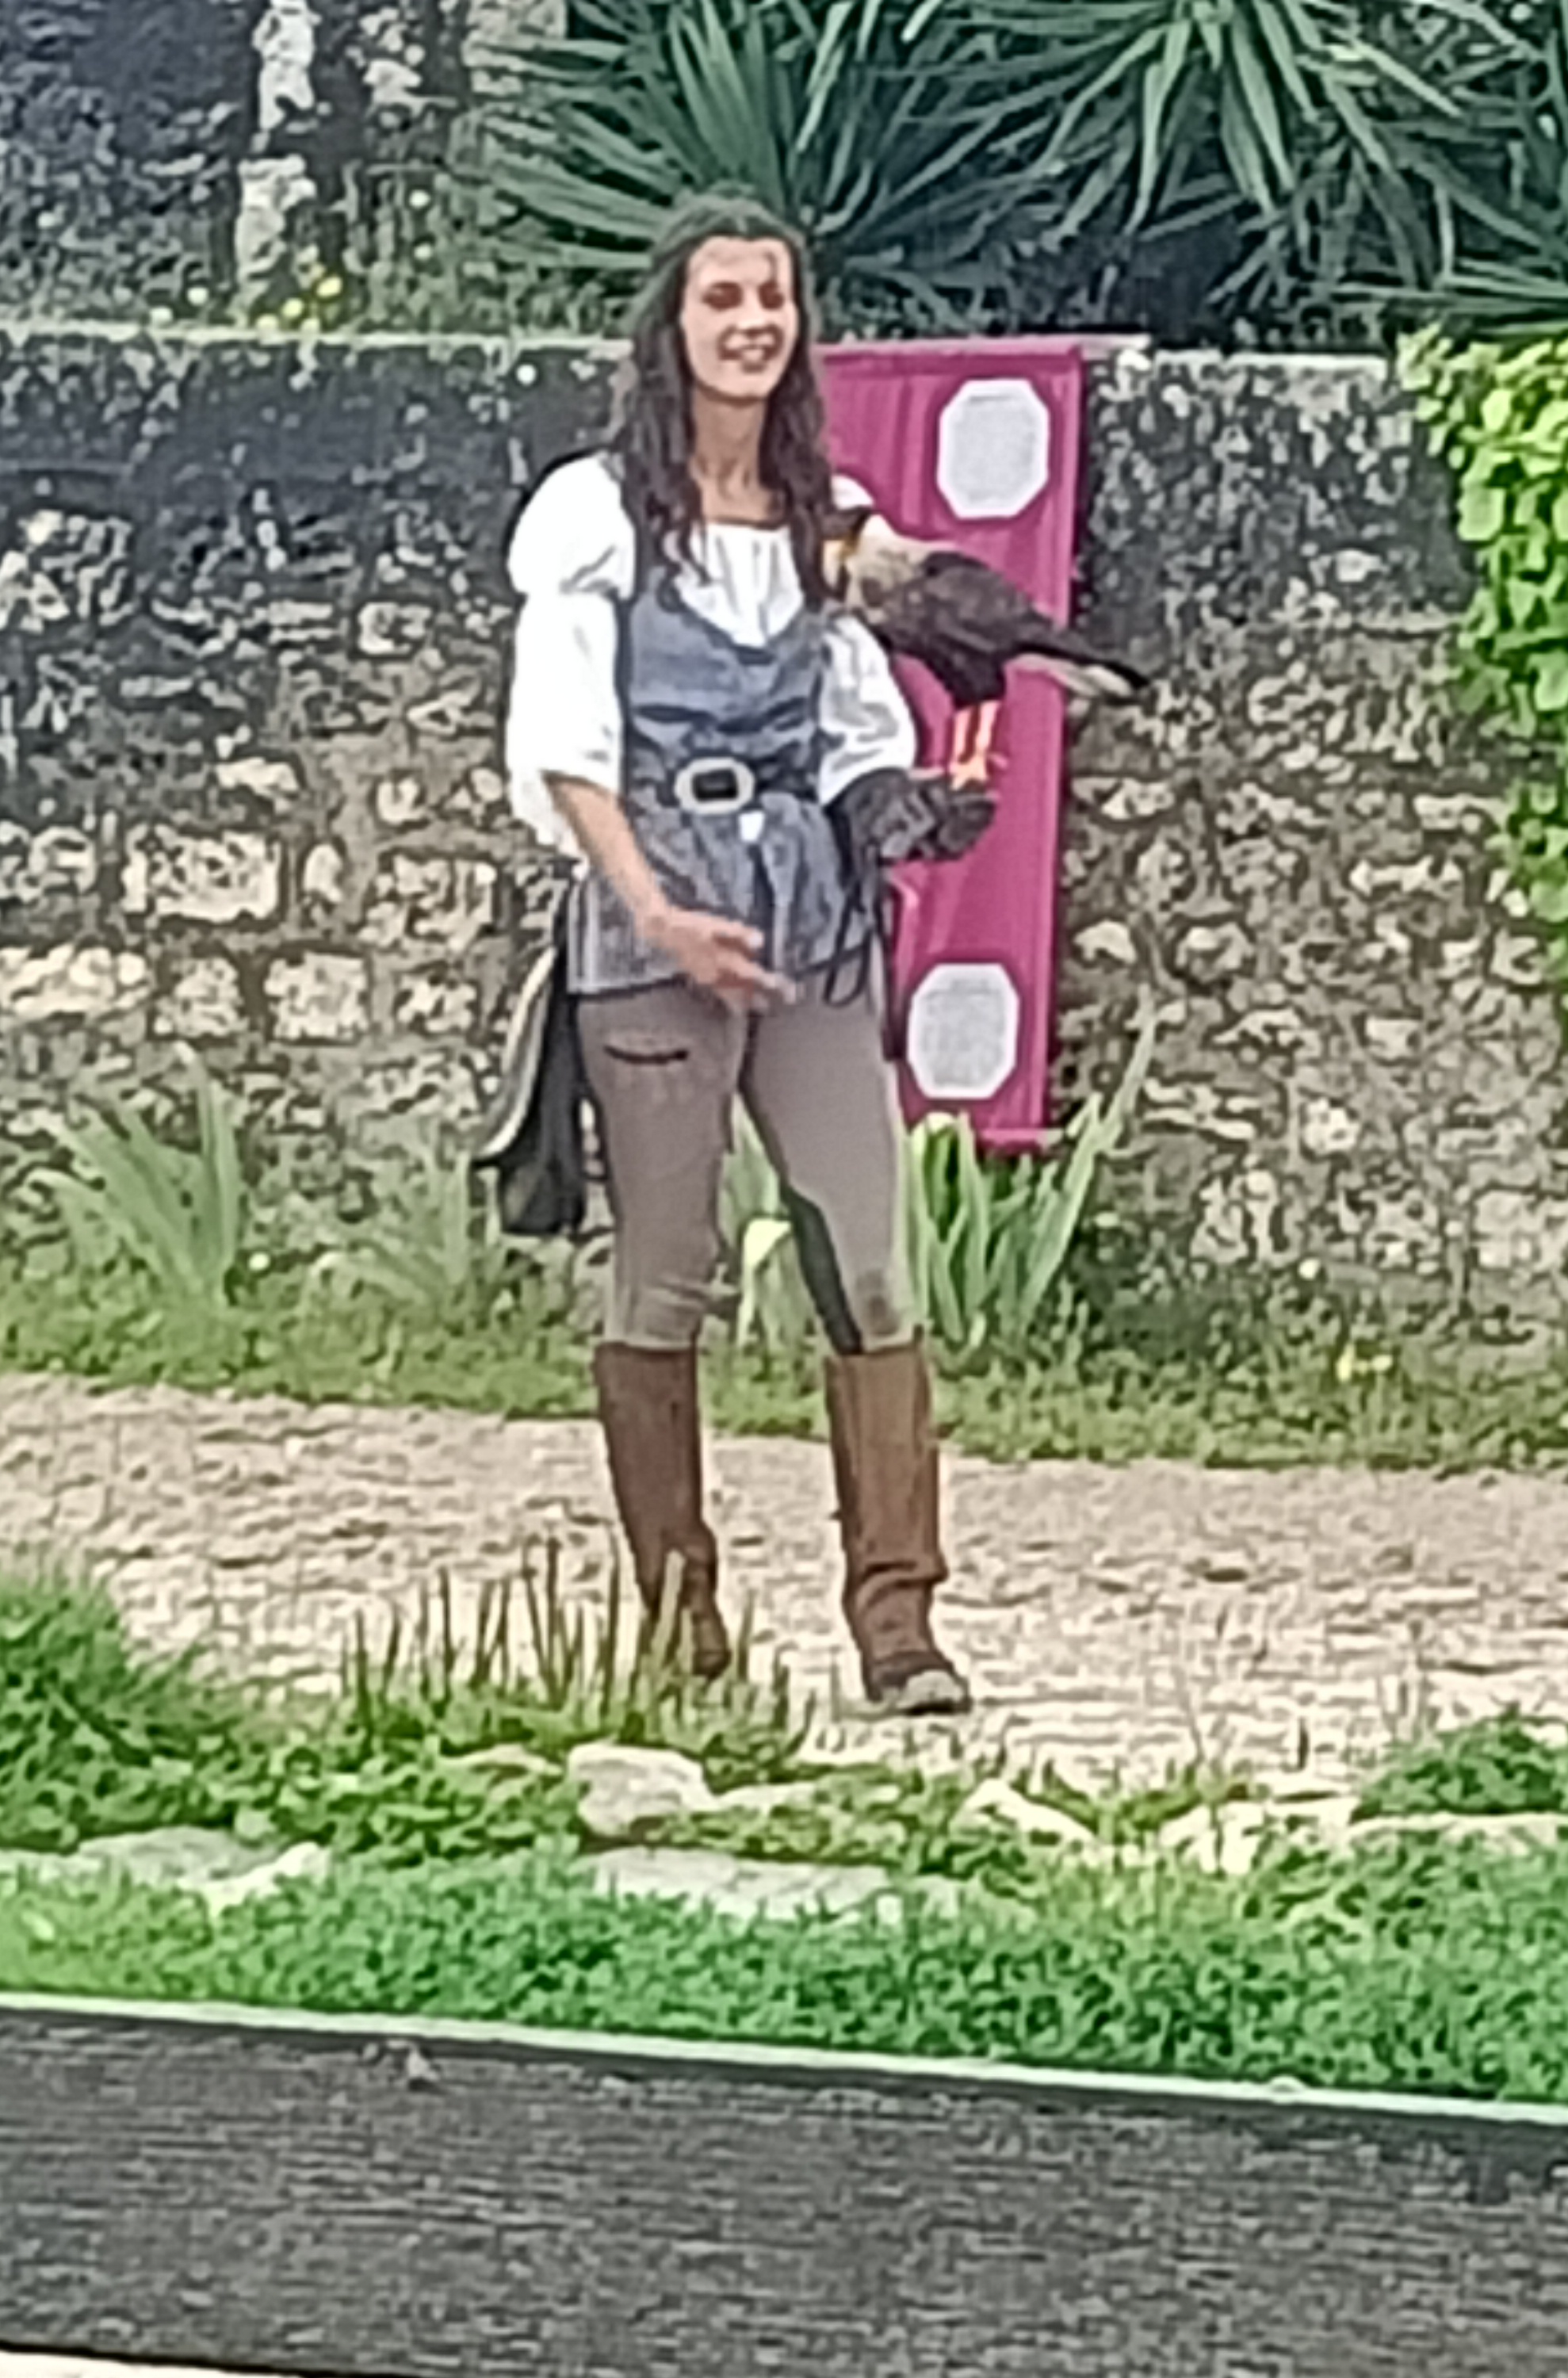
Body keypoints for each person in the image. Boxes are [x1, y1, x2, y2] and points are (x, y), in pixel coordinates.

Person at [498, 193, 979, 1719]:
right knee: (667, 1276)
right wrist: (654, 911)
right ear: (674, 323)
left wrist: (898, 802)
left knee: (868, 1261)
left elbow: (852, 713)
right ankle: (680, 1626)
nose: (753, 322)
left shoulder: (826, 517)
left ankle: (898, 1624)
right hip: (657, 913)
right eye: (724, 298)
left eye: (773, 297)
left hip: (807, 913)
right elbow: (564, 744)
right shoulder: (595, 515)